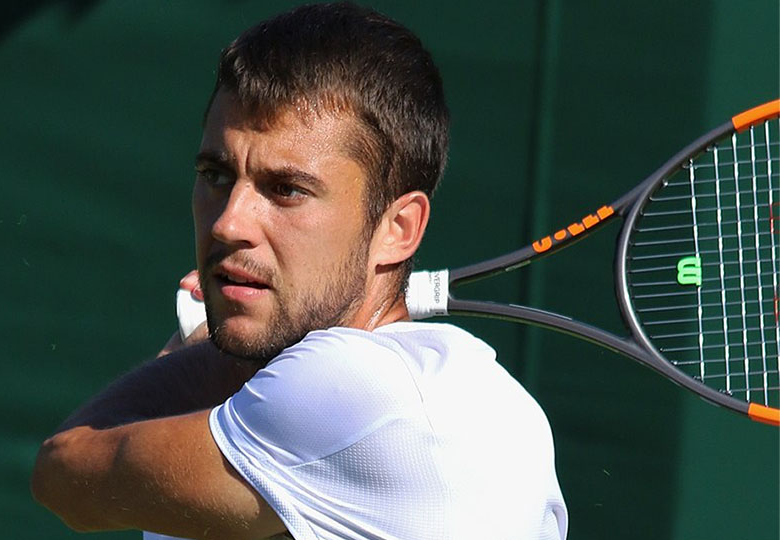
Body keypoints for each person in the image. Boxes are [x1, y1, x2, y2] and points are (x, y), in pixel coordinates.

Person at [30, 3, 567, 539]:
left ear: (398, 228)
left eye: (286, 189)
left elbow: (65, 472)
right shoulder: (491, 406)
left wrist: (206, 354)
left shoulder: (354, 390)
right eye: (216, 175)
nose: (229, 223)